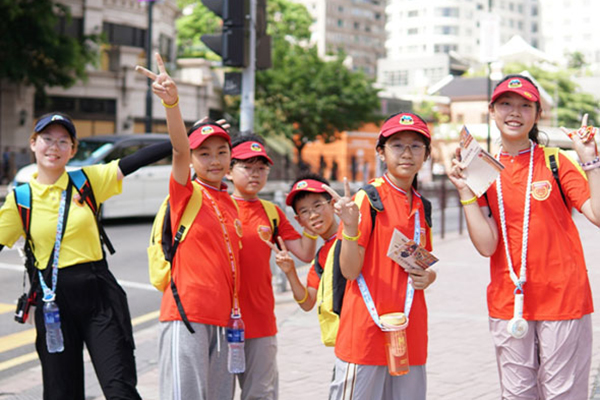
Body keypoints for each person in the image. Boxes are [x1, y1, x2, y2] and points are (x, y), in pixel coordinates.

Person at [447, 74, 600, 399]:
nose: (514, 112)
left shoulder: (555, 161)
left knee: (564, 394)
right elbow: (487, 246)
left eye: (524, 105)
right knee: (517, 395)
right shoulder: (481, 170)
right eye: (505, 104)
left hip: (563, 298)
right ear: (492, 110)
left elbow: (598, 216)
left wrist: (590, 160)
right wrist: (466, 192)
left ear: (537, 114)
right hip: (509, 301)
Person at [0, 112, 172, 400]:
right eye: (47, 139)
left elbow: (136, 160)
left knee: (120, 390)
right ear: (33, 144)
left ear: (73, 149)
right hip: (52, 301)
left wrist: (187, 137)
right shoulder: (21, 199)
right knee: (60, 393)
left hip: (98, 296)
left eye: (63, 141)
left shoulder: (86, 181)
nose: (54, 147)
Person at [137, 53, 242, 400]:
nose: (214, 160)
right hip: (187, 314)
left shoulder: (229, 200)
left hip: (226, 321)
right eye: (205, 153)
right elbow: (179, 149)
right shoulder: (185, 192)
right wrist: (172, 103)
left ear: (231, 158)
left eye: (221, 152)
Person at [323, 112, 437, 400]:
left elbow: (422, 262)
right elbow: (349, 271)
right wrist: (349, 227)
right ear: (381, 153)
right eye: (397, 145)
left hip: (408, 332)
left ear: (426, 154)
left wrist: (429, 276)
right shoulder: (368, 199)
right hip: (365, 331)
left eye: (416, 146)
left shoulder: (423, 206)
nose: (407, 153)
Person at [227, 135, 317, 400]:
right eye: (247, 167)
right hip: (219, 318)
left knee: (260, 393)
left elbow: (304, 252)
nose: (255, 174)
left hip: (260, 318)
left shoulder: (272, 212)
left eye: (261, 168)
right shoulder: (217, 206)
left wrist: (310, 227)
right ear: (229, 171)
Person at [268, 173, 338, 313]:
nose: (313, 215)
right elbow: (307, 303)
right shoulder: (320, 259)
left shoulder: (354, 238)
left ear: (333, 204)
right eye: (304, 211)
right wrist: (290, 271)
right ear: (299, 221)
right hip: (333, 335)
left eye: (318, 205)